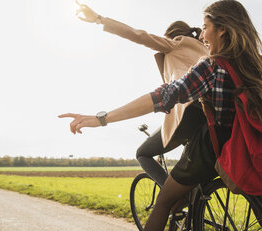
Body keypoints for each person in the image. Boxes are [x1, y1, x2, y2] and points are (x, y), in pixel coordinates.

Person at [60, 0, 262, 231]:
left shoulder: (212, 66)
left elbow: (163, 97)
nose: (203, 35)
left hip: (214, 148)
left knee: (164, 202)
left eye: (206, 27)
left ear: (222, 29)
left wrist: (101, 119)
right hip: (251, 145)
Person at [75, 3, 209, 191]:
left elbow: (139, 35)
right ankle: (198, 200)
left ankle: (172, 194)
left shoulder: (176, 42)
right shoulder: (207, 50)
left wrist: (99, 19)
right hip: (210, 113)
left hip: (188, 111)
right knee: (192, 166)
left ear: (171, 35)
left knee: (143, 153)